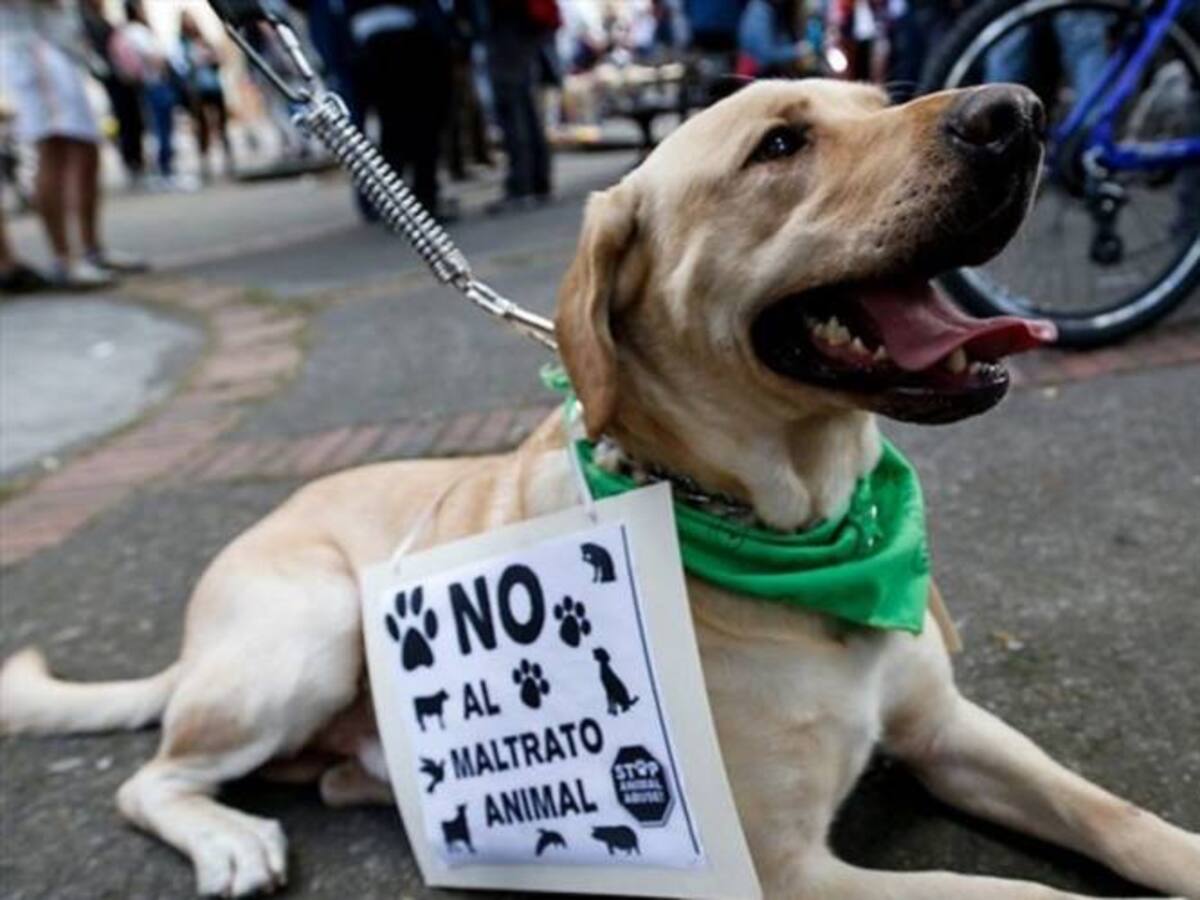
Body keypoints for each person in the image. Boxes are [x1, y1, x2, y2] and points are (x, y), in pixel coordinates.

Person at [0, 0, 145, 288]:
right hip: (30, 47)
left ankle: (91, 250)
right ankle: (64, 260)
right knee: (54, 148)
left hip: (57, 46)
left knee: (85, 149)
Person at [346, 0, 455, 218]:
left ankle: (401, 203)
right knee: (419, 129)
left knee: (395, 130)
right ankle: (419, 200)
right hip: (405, 38)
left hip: (374, 40)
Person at [484, 0, 556, 214]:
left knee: (513, 107)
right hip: (522, 27)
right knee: (523, 105)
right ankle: (536, 180)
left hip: (509, 27)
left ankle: (522, 184)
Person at [79, 0, 145, 185]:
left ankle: (135, 160)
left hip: (122, 79)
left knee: (132, 119)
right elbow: (96, 56)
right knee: (125, 120)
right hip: (114, 80)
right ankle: (132, 161)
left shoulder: (101, 21)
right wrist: (112, 73)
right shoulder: (89, 23)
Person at [122, 0, 182, 187]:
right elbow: (152, 56)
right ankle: (165, 169)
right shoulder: (136, 32)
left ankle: (165, 167)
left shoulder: (134, 31)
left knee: (161, 127)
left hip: (151, 85)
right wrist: (163, 62)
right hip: (155, 84)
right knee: (162, 128)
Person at [177, 10, 234, 181]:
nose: (190, 24)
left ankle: (228, 157)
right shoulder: (182, 44)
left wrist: (213, 58)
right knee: (202, 125)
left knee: (221, 122)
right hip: (197, 89)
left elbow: (220, 60)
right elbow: (182, 65)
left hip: (213, 86)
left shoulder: (205, 41)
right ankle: (205, 160)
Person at [737, 0, 813, 77]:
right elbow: (765, 55)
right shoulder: (760, 11)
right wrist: (796, 51)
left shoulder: (773, 8)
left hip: (769, 71)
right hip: (758, 74)